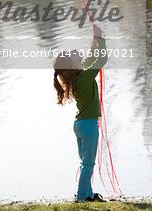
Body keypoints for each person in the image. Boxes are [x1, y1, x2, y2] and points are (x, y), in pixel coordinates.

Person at [53, 23, 108, 203]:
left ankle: (89, 195)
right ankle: (82, 198)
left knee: (85, 163)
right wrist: (100, 39)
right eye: (72, 53)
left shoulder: (79, 76)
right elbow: (101, 59)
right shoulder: (84, 77)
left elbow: (92, 56)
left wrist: (95, 40)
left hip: (79, 125)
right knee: (88, 164)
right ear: (74, 64)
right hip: (89, 125)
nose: (76, 50)